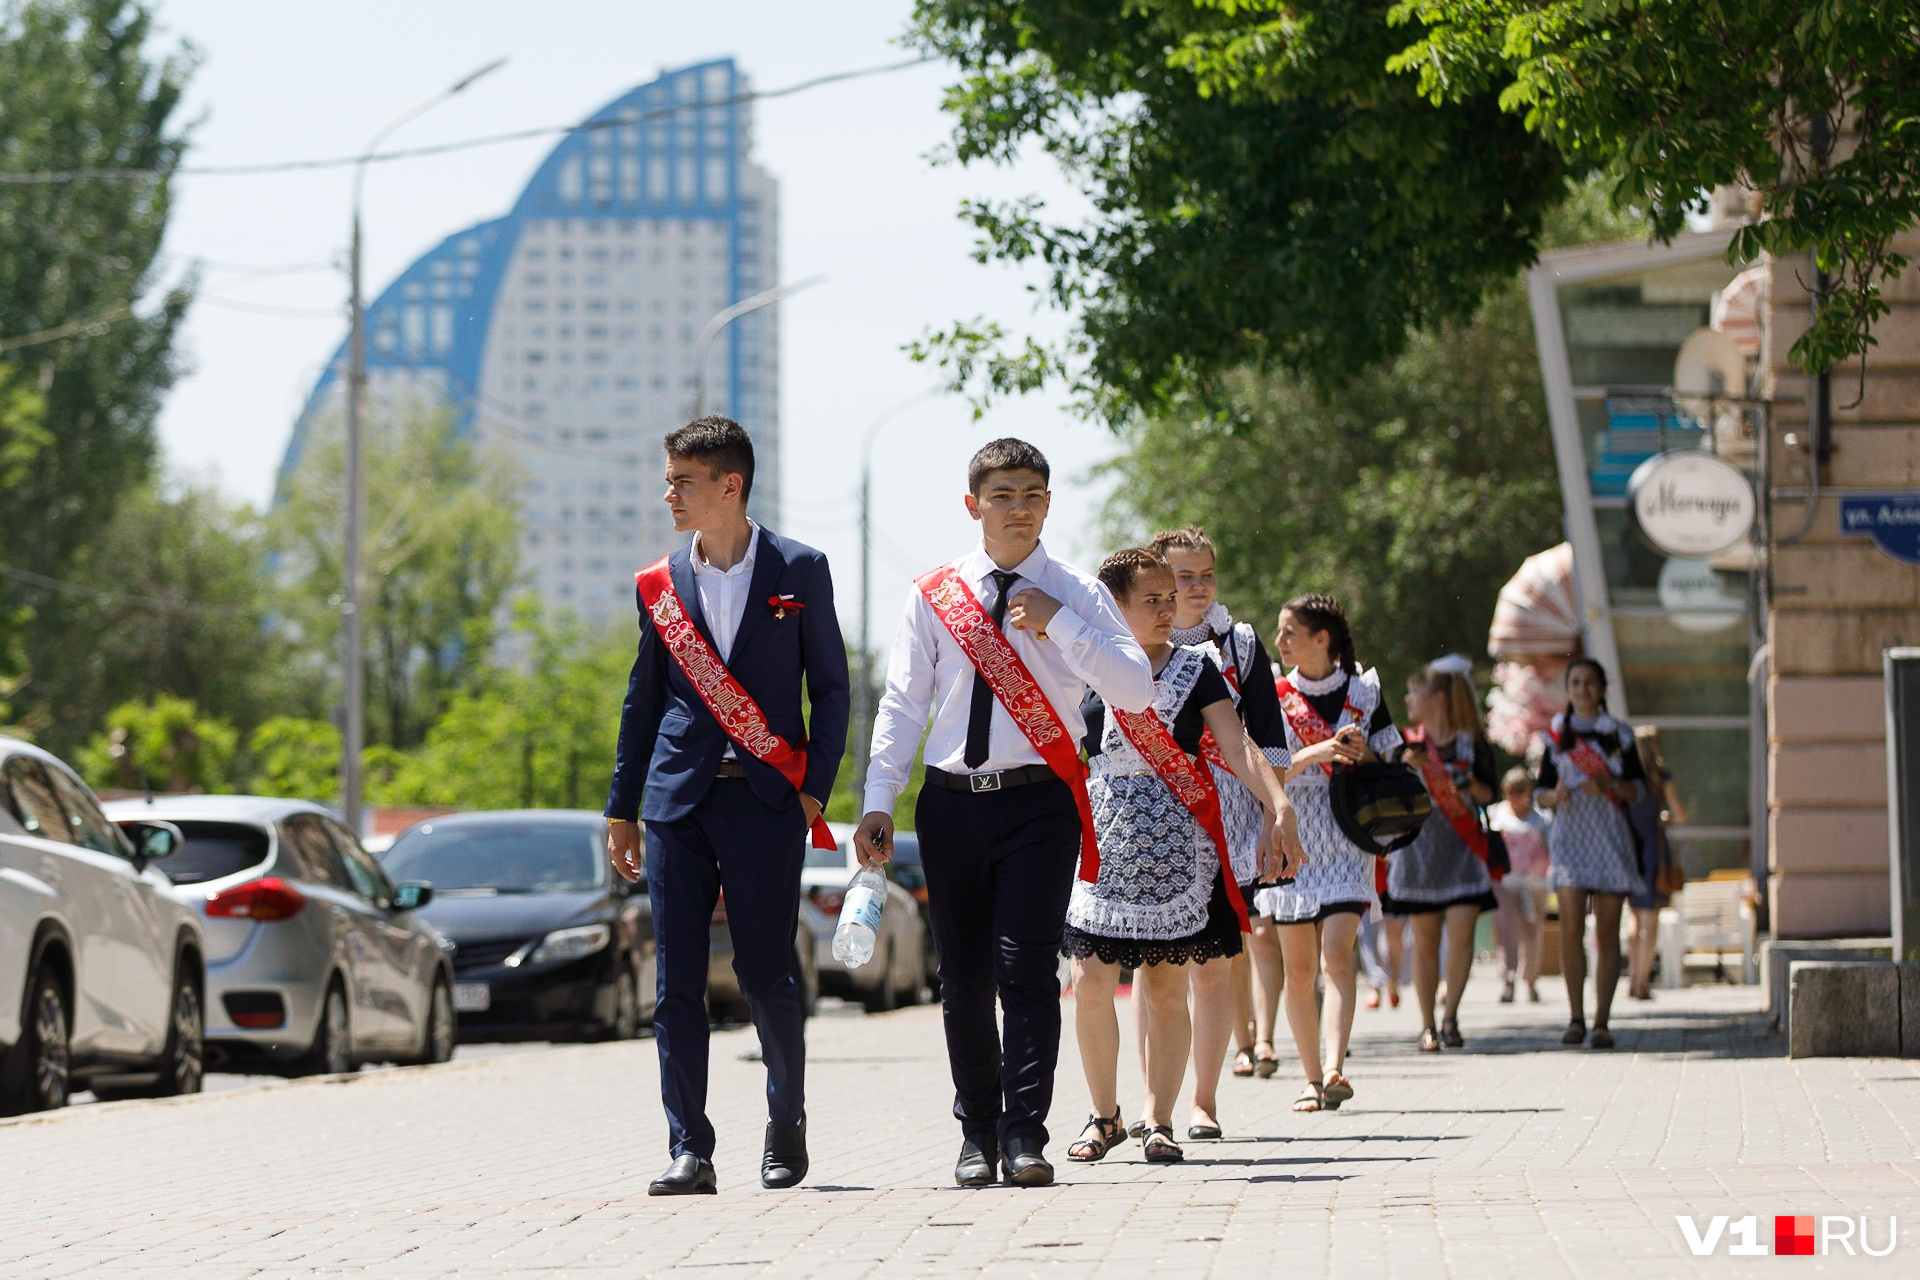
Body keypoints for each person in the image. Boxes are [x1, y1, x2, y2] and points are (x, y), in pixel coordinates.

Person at [853, 439, 1157, 1189]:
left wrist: (1063, 625)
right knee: (961, 978)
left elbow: (1135, 688)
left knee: (1024, 971)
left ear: (1049, 504)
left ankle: (1026, 1135)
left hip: (1040, 802)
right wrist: (876, 800)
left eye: (1032, 495)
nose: (1018, 509)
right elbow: (902, 704)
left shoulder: (1076, 592)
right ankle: (976, 1132)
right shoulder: (935, 595)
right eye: (1002, 496)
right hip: (951, 805)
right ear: (973, 506)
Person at [604, 416, 850, 1195]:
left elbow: (833, 689)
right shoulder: (659, 585)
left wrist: (815, 787)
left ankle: (786, 1122)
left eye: (682, 480)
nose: (668, 493)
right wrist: (621, 806)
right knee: (675, 979)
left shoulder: (800, 569)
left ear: (729, 486)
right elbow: (642, 701)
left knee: (766, 971)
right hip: (677, 805)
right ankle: (690, 1148)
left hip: (767, 800)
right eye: (669, 479)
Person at [1060, 549, 1295, 1166]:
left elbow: (1237, 745)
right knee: (1088, 981)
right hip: (1102, 844)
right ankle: (1103, 1114)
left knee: (1166, 985)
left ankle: (1159, 1118)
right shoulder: (1081, 665)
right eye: (1152, 599)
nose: (1168, 609)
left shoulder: (1199, 669)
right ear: (1114, 605)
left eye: (1172, 597)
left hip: (1178, 845)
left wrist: (1279, 805)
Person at [1146, 526, 1290, 1130]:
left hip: (1226, 819)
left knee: (1214, 963)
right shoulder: (1126, 644)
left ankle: (1203, 1100)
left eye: (1206, 574)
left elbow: (1269, 741)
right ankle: (1154, 1104)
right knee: (1154, 968)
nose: (1197, 587)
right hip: (1150, 820)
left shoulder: (1241, 645)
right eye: (1183, 576)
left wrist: (1271, 819)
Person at [1253, 594, 1403, 1113]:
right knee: (1298, 970)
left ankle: (1337, 1066)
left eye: (1290, 632)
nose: (1280, 642)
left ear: (1323, 639)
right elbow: (1262, 771)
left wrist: (1369, 754)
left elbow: (1395, 753)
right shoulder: (1271, 694)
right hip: (1291, 834)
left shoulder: (1365, 690)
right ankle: (1311, 1078)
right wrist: (1312, 754)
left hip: (1346, 838)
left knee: (1337, 953)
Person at [1532, 658, 1646, 1050]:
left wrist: (1610, 783)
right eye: (1575, 682)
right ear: (1568, 688)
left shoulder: (1618, 734)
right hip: (1570, 840)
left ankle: (1602, 1021)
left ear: (1601, 689)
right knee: (1570, 927)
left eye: (1589, 683)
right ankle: (1575, 1017)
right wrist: (1555, 794)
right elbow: (1540, 792)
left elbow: (1638, 789)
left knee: (1608, 930)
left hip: (1610, 838)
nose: (1582, 689)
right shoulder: (1556, 735)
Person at [1388, 658, 1500, 1051]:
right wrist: (1404, 767)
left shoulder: (1472, 740)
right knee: (1425, 939)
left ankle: (1451, 1015)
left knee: (1463, 933)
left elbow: (1492, 792)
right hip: (1419, 853)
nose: (1408, 698)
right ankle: (1427, 1024)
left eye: (1415, 691)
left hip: (1463, 851)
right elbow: (1388, 793)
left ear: (1438, 697)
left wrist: (1464, 783)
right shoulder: (1405, 742)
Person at [1626, 726, 1687, 1000]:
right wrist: (1664, 818)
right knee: (1650, 920)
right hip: (1653, 850)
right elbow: (1680, 815)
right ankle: (1641, 981)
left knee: (1634, 919)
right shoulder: (1661, 777)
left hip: (1629, 850)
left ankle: (1632, 979)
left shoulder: (1626, 780)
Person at [1489, 766, 1552, 1003]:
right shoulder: (1496, 814)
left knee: (1533, 933)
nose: (1515, 796)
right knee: (1506, 933)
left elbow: (1550, 846)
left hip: (1535, 883)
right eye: (1511, 791)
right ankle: (1508, 980)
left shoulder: (1541, 818)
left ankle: (1531, 980)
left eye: (1520, 790)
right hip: (1505, 883)